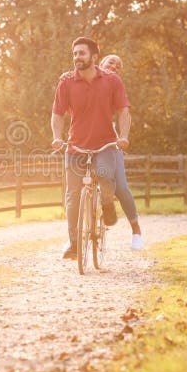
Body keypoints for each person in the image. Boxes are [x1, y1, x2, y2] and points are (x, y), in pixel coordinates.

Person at [50, 38, 139, 260]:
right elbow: (57, 114)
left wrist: (124, 136)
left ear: (94, 56)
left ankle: (107, 204)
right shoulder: (66, 82)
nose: (77, 57)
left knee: (105, 175)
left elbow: (123, 111)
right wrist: (56, 137)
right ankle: (74, 244)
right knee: (72, 196)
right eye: (75, 53)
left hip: (106, 145)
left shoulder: (111, 81)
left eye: (82, 53)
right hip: (75, 147)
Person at [100, 54, 143, 250]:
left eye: (118, 65)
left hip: (110, 143)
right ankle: (76, 236)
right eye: (111, 62)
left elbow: (123, 112)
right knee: (76, 187)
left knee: (121, 187)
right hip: (86, 141)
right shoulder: (87, 82)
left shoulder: (115, 85)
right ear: (100, 63)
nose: (115, 66)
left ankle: (136, 230)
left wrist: (123, 136)